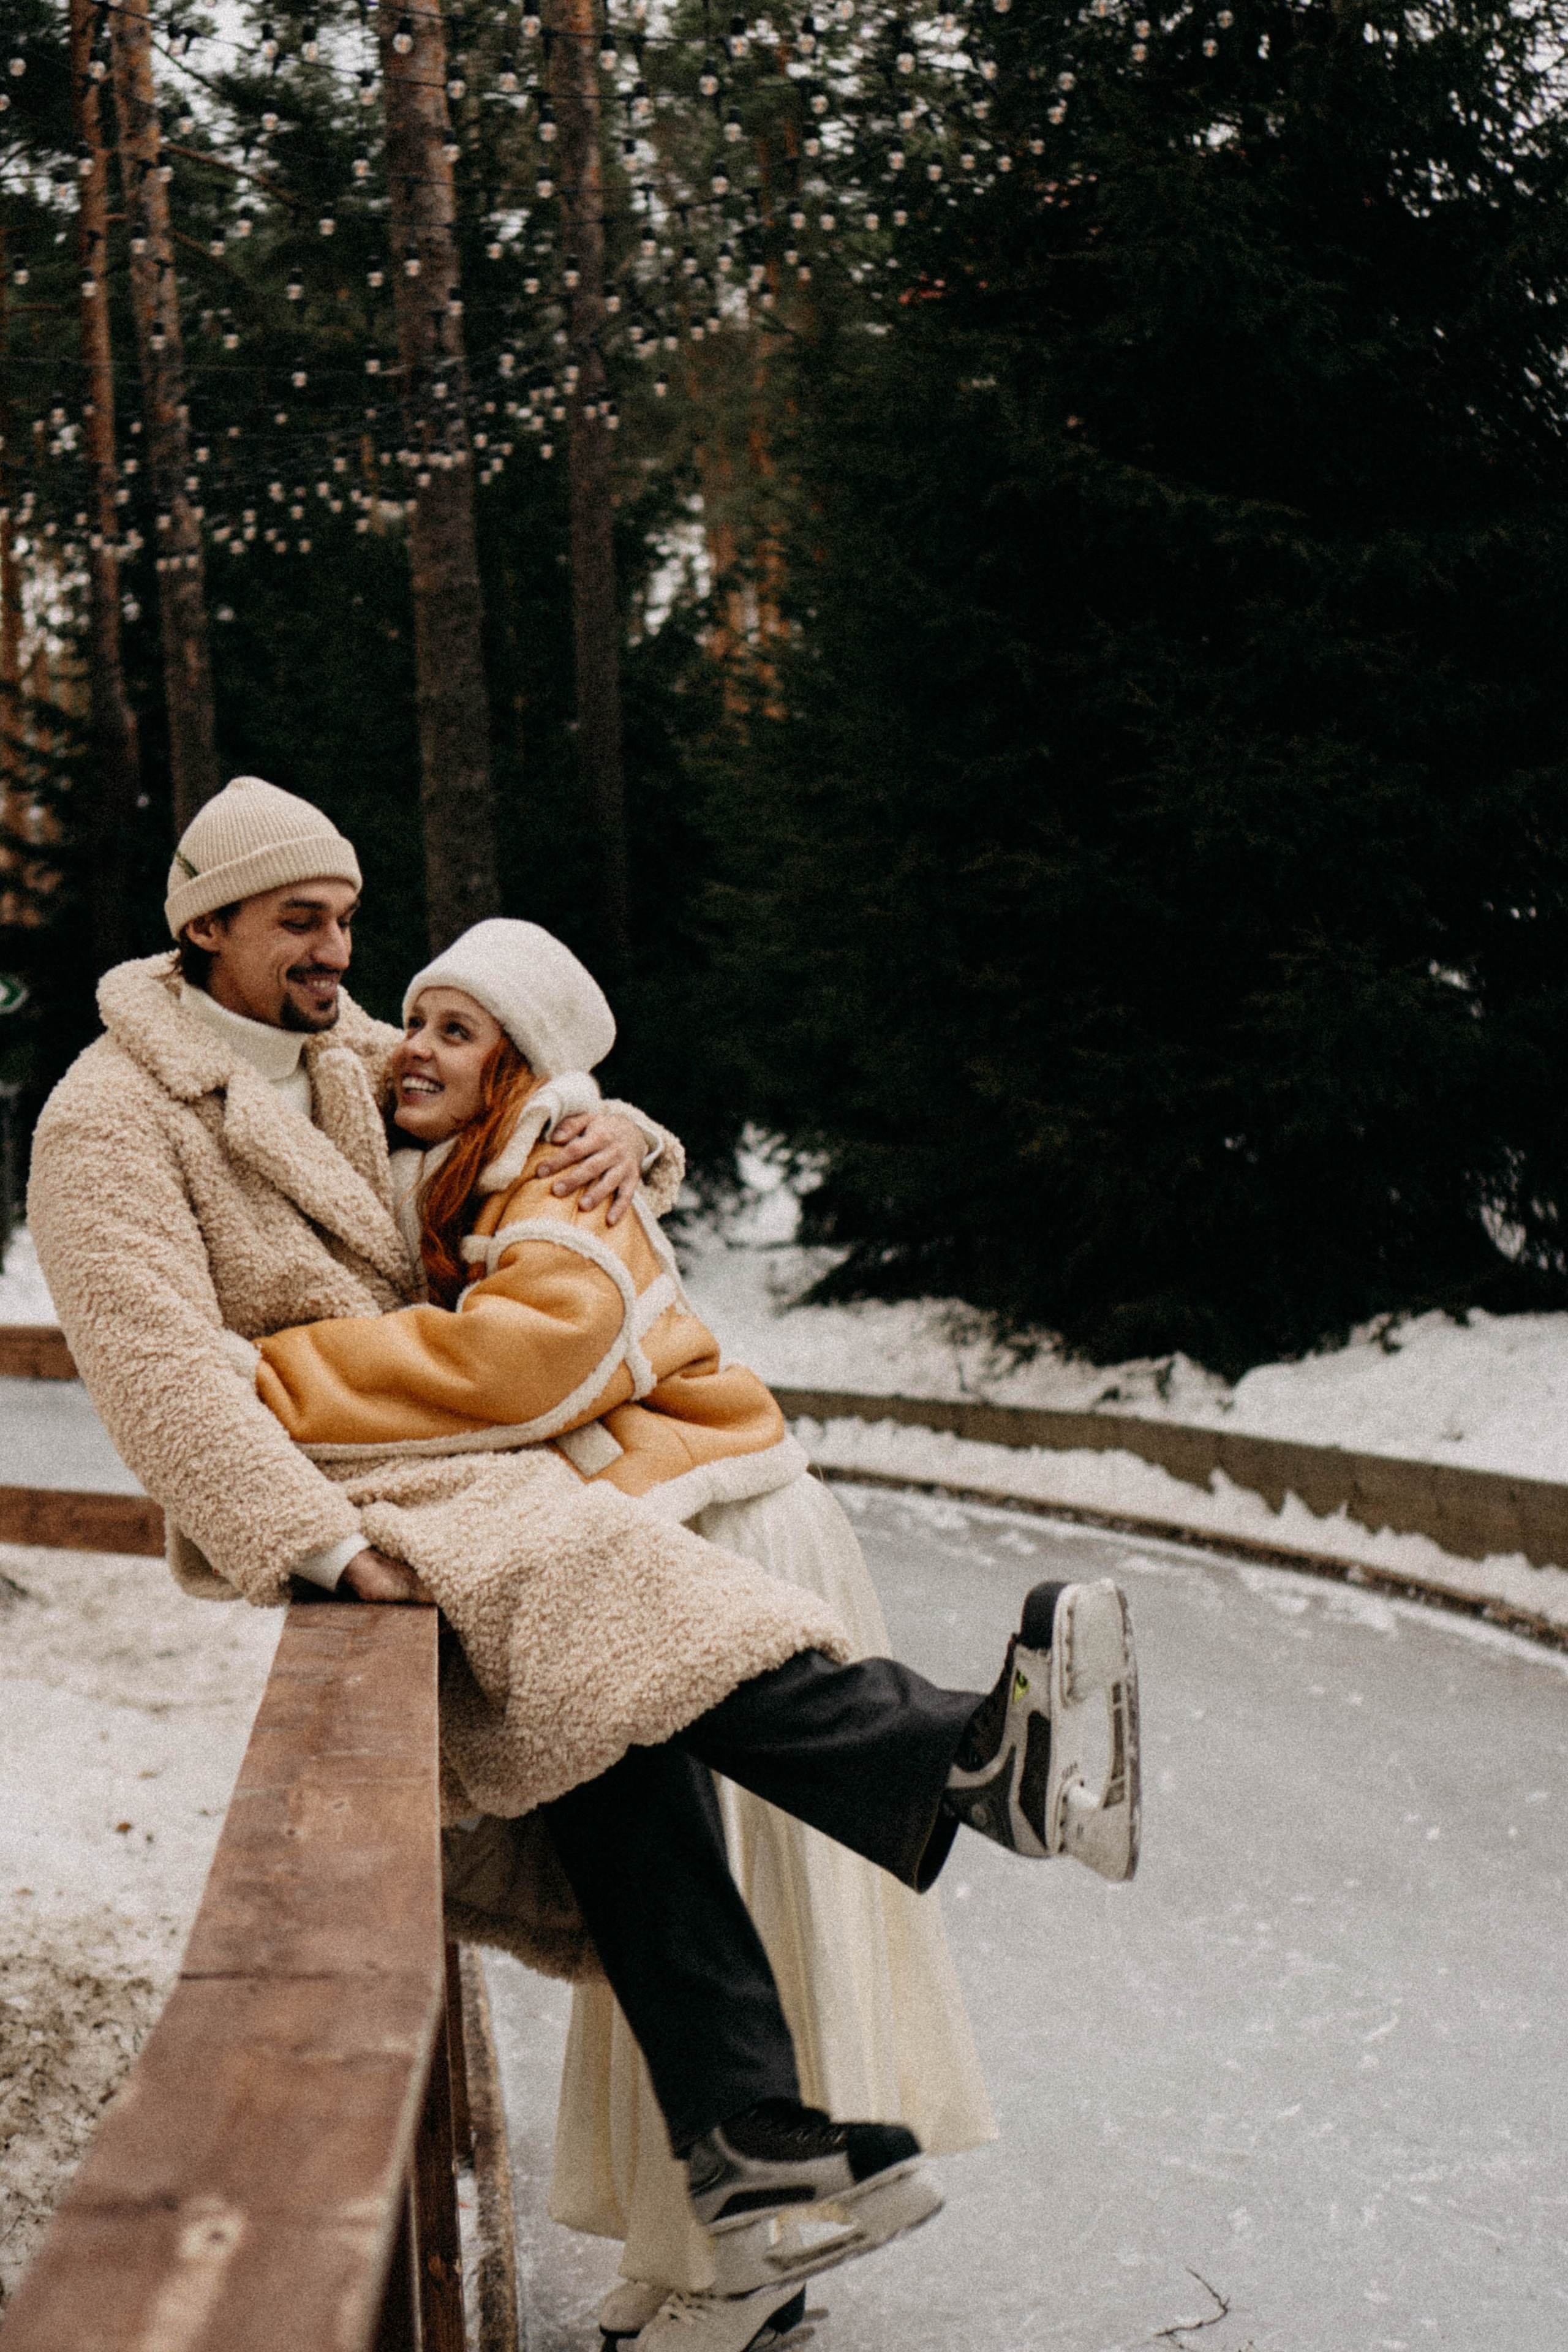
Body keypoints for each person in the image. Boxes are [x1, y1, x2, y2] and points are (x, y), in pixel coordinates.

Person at [29, 777, 1141, 2352]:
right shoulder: (108, 1117)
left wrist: (632, 1129)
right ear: (202, 923)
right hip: (343, 1485)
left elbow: (512, 1100)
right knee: (612, 1613)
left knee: (609, 1721)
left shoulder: (340, 1053)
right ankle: (959, 1762)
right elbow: (151, 1377)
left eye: (347, 915)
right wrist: (313, 1545)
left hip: (456, 1457)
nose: (339, 950)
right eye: (301, 921)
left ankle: (755, 2155)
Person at [238, 915, 1000, 2343]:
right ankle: (722, 2236)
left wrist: (269, 1377)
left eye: (457, 1032)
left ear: (520, 1071)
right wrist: (619, 1125)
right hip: (628, 1553)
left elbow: (536, 1345)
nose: (413, 1046)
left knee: (740, 1900)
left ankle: (750, 2263)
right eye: (416, 1017)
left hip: (717, 1536)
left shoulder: (539, 1167)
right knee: (663, 1904)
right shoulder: (462, 1147)